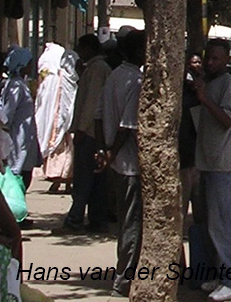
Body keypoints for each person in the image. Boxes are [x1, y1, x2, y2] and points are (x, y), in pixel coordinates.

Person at [193, 38, 231, 301]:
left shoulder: (229, 86)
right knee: (210, 224)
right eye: (208, 58)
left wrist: (204, 99)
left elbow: (227, 120)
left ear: (227, 59)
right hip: (208, 163)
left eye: (216, 58)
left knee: (222, 225)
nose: (210, 63)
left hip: (224, 166)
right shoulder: (210, 82)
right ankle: (221, 273)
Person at [94, 29, 145, 297]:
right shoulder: (136, 81)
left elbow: (100, 117)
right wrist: (112, 152)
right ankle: (123, 280)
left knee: (126, 223)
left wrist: (104, 150)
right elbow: (127, 125)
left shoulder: (114, 76)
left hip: (117, 163)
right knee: (132, 224)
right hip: (129, 165)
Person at [63, 34, 111, 232]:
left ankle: (75, 219)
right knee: (95, 180)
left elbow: (92, 103)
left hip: (89, 133)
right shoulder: (93, 69)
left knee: (84, 179)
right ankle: (96, 219)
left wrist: (81, 129)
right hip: (93, 133)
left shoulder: (98, 69)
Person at [34, 42, 78, 194]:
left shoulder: (63, 79)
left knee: (63, 143)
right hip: (60, 118)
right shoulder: (62, 79)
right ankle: (60, 180)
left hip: (60, 118)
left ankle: (62, 181)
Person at [1, 47, 41, 193]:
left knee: (24, 173)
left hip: (25, 138)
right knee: (18, 175)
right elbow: (7, 115)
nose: (31, 66)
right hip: (17, 138)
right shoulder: (16, 87)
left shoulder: (20, 84)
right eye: (29, 63)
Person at [179, 51, 203, 232]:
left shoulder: (197, 94)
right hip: (187, 157)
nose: (197, 65)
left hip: (194, 157)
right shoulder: (190, 98)